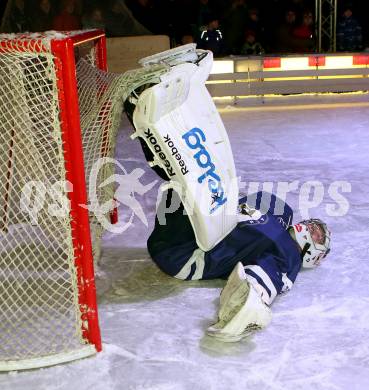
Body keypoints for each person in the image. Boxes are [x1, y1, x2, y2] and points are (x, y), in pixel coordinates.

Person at [147, 189, 331, 341]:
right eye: (313, 225)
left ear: (314, 255)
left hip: (187, 256)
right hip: (184, 229)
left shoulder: (289, 255)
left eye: (319, 236)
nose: (312, 228)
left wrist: (250, 303)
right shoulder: (279, 219)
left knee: (275, 227)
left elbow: (268, 272)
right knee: (278, 207)